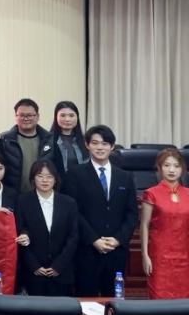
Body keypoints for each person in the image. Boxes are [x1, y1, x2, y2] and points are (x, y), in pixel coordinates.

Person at [62, 125, 138, 297]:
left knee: (114, 300)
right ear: (87, 145)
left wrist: (118, 239)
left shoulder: (125, 177)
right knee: (86, 300)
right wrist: (94, 239)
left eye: (104, 144)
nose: (100, 148)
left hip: (116, 251)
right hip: (87, 250)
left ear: (112, 146)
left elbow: (132, 214)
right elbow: (72, 212)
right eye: (95, 143)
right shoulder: (75, 174)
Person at [15, 160, 79, 296]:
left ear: (55, 179)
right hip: (33, 273)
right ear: (33, 178)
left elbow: (73, 237)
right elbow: (19, 234)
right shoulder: (23, 201)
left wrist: (59, 265)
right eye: (40, 176)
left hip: (62, 272)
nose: (45, 180)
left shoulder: (68, 203)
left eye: (49, 176)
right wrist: (34, 266)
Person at [140, 148, 189, 299]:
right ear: (160, 168)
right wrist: (145, 254)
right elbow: (144, 225)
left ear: (182, 169)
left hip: (185, 255)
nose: (172, 170)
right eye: (167, 165)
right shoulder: (151, 193)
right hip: (159, 256)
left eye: (176, 166)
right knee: (160, 299)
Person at [0, 98, 51, 193]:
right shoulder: (5, 140)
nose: (26, 118)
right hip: (13, 194)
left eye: (30, 115)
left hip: (42, 194)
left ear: (38, 116)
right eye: (22, 115)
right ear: (16, 116)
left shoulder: (49, 140)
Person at [45, 101, 89, 182]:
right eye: (62, 115)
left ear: (77, 117)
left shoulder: (86, 141)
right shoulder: (47, 140)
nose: (67, 119)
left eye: (71, 115)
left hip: (81, 184)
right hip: (57, 185)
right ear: (56, 117)